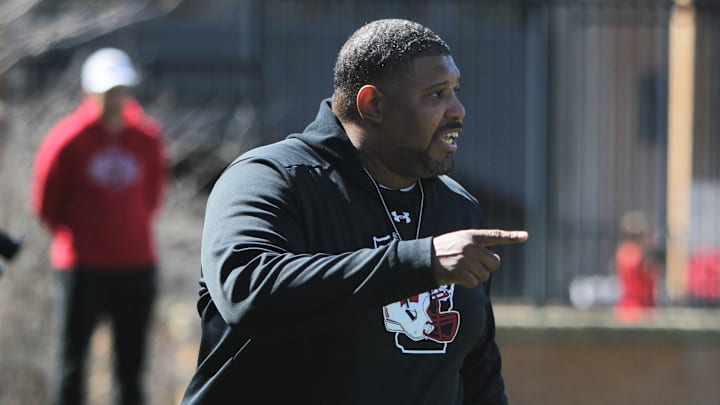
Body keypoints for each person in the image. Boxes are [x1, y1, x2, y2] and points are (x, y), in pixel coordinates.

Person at [181, 19, 528, 405]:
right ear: (373, 104)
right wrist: (420, 261)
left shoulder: (458, 208)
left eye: (455, 92)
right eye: (435, 94)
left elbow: (477, 371)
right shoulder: (272, 179)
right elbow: (248, 290)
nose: (458, 110)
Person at [30, 47, 166, 405]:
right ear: (90, 93)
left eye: (120, 91)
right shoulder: (68, 140)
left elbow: (153, 195)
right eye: (107, 93)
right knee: (73, 362)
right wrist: (81, 236)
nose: (114, 100)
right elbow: (47, 202)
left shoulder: (147, 139)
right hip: (81, 266)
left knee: (131, 367)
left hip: (135, 264)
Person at [614, 211, 660, 323]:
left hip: (648, 308)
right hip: (632, 310)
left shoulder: (646, 253)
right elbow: (634, 266)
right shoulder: (627, 251)